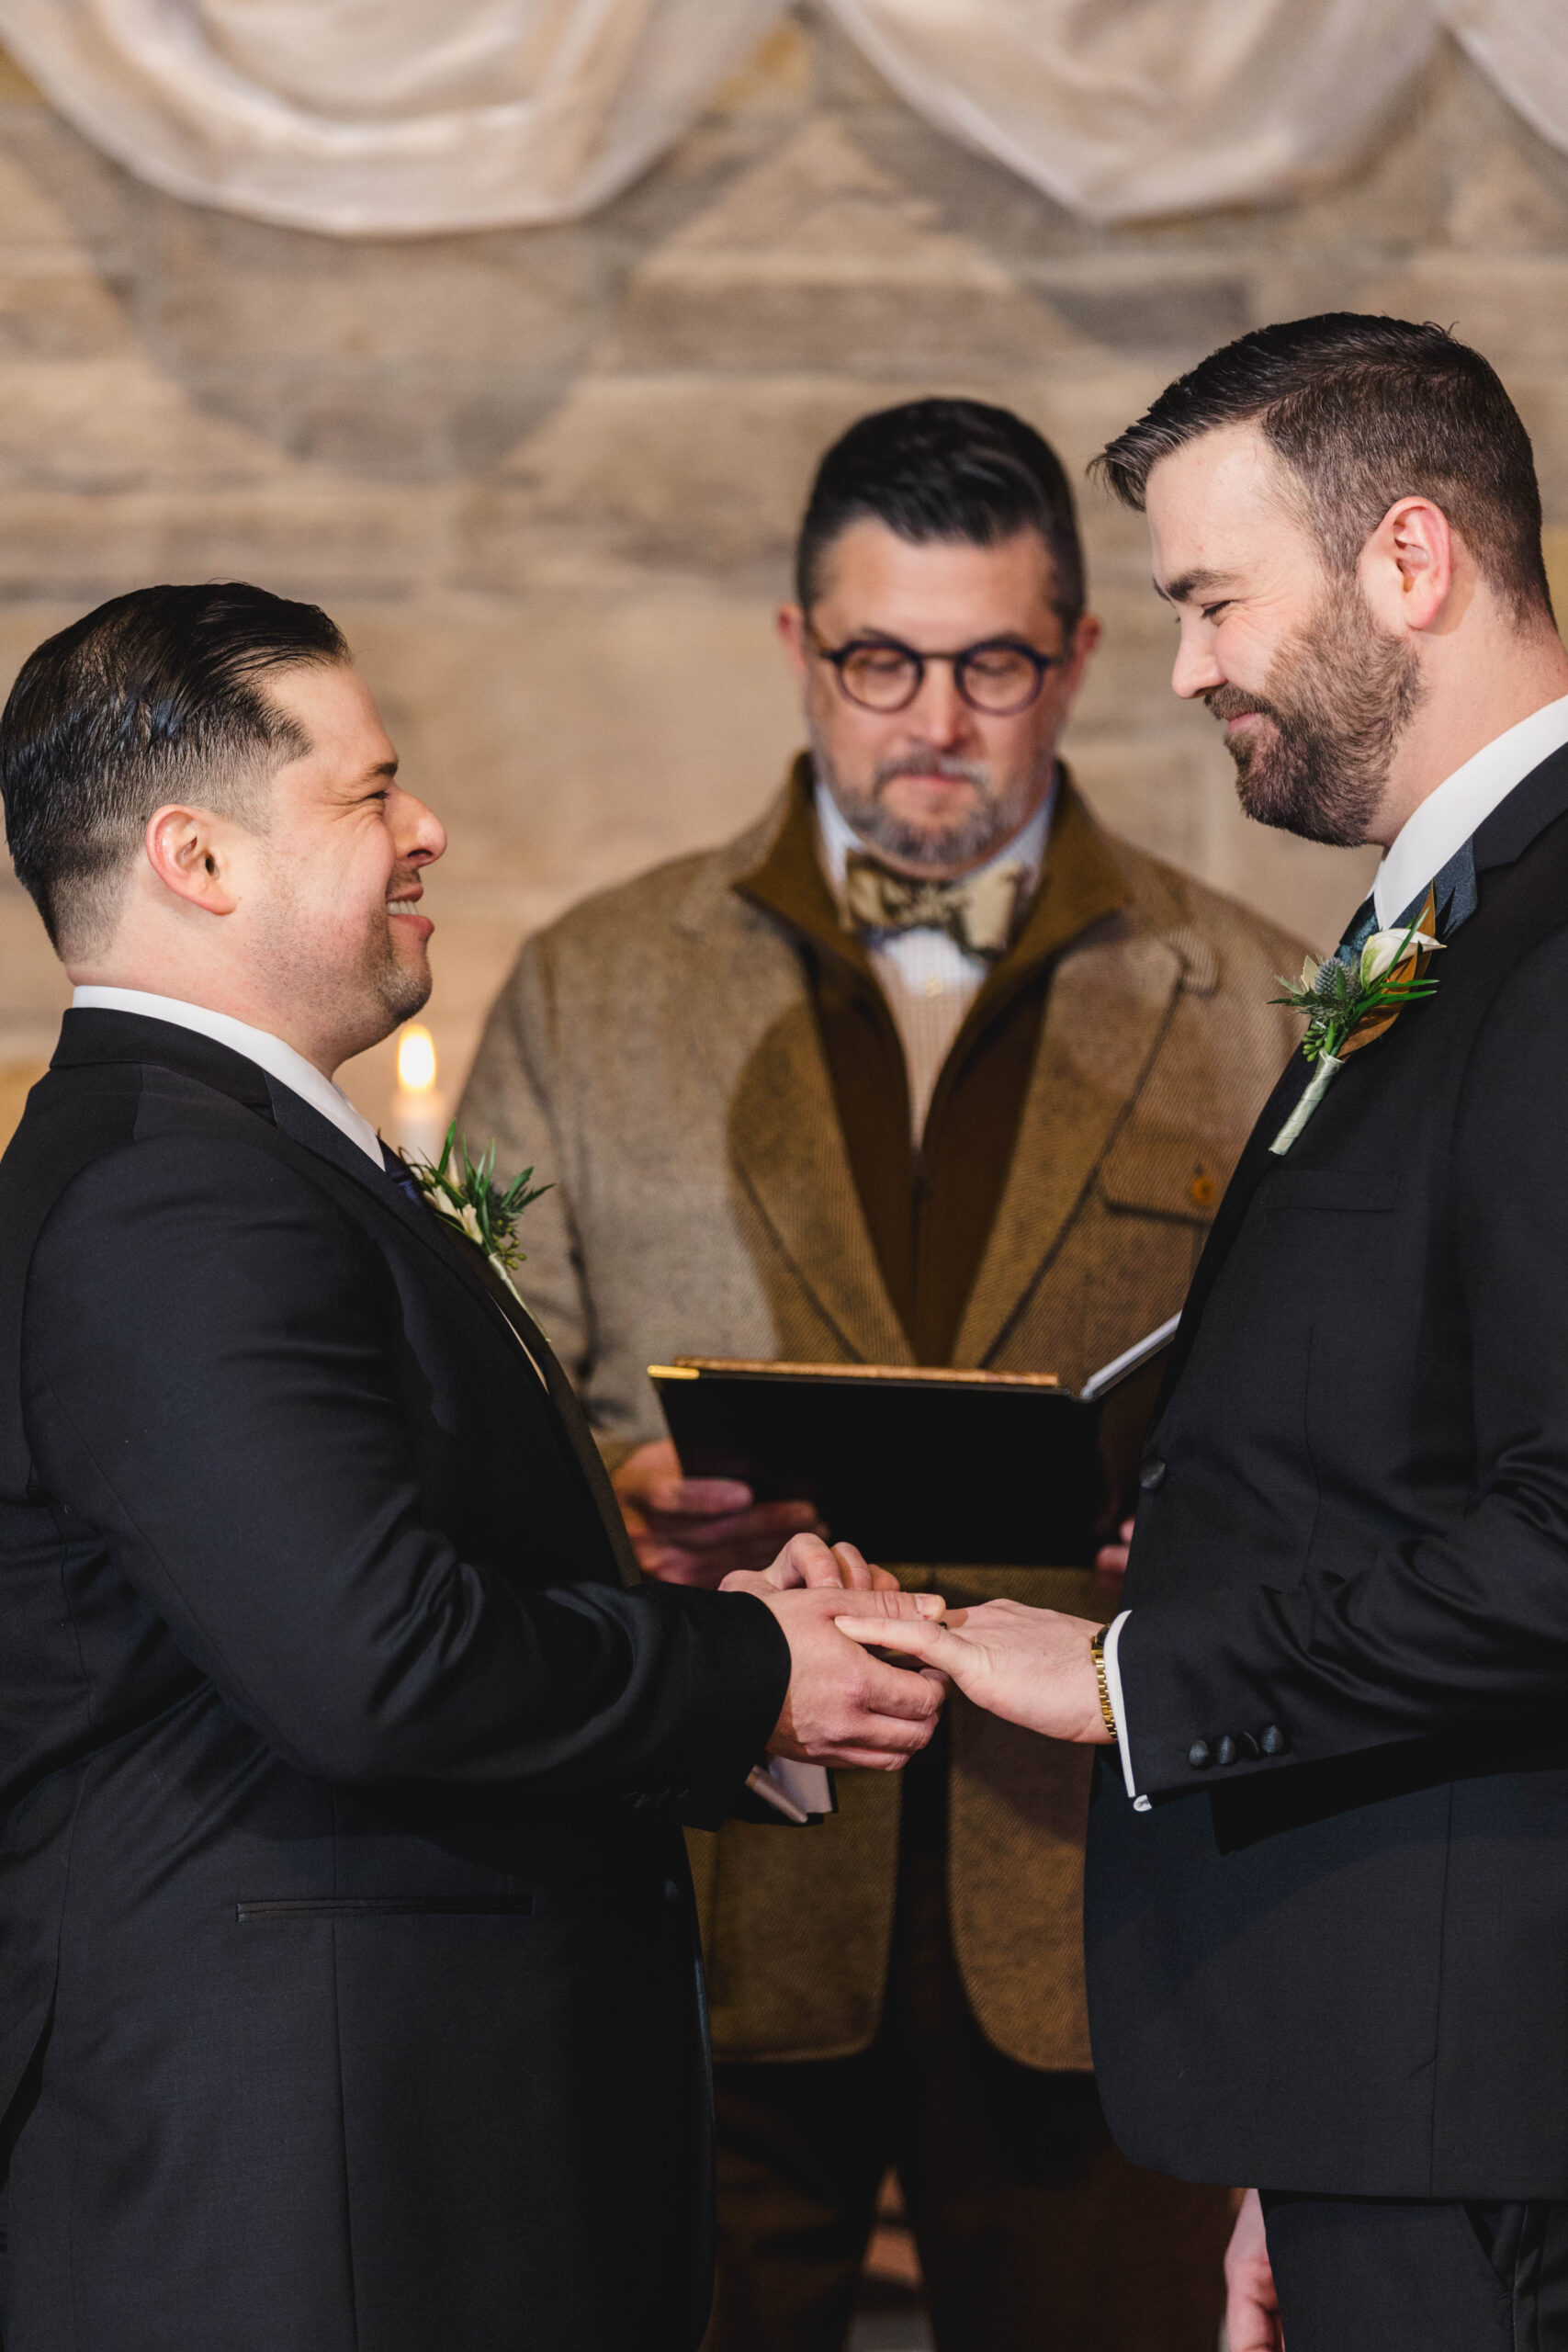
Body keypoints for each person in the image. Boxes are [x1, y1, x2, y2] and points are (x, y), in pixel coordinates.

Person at [0, 582, 947, 2352]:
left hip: (389, 2154)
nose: (428, 826)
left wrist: (695, 1614)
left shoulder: (232, 1158)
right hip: (310, 2195)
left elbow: (335, 1599)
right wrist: (749, 1677)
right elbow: (379, 1664)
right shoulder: (174, 1191)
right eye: (371, 796)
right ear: (198, 861)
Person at [457, 397, 1306, 2352]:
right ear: (794, 649)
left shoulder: (1251, 997)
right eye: (878, 659)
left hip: (1096, 1900)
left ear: (1080, 660)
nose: (933, 714)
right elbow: (488, 1392)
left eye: (992, 661)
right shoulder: (596, 978)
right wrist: (620, 1501)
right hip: (715, 1871)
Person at [846, 317, 1568, 2351]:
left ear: (1405, 562)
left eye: (1208, 598)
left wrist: (1129, 1676)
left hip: (1487, 2097)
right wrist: (1301, 2121)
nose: (1179, 666)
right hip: (1387, 2077)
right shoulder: (1440, 917)